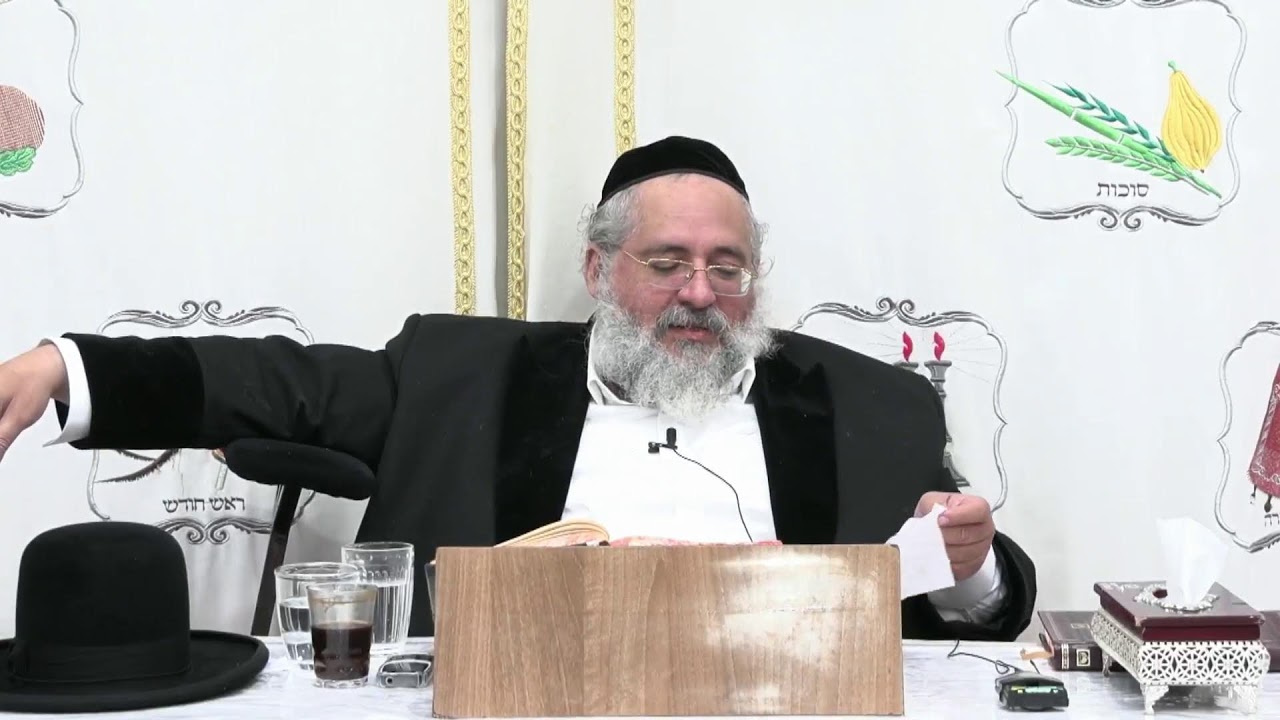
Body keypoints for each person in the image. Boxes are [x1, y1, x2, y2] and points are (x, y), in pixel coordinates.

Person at [0, 136, 1035, 641]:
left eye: (726, 267)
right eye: (667, 262)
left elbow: (972, 587)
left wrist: (969, 567)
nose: (699, 293)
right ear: (598, 271)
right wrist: (63, 366)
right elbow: (280, 384)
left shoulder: (869, 402)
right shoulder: (461, 374)